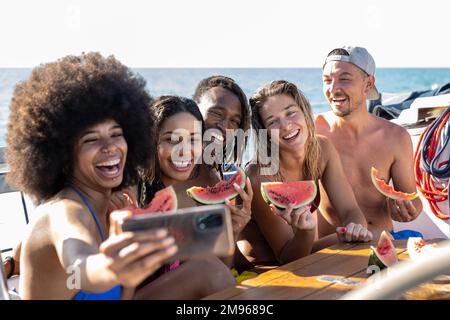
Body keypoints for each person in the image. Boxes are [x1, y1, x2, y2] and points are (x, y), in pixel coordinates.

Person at [5, 53, 178, 300]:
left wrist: (129, 267)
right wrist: (111, 266)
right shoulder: (63, 211)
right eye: (91, 139)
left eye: (116, 134)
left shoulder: (107, 209)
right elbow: (80, 264)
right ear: (62, 153)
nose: (110, 147)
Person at [109, 96, 238, 299]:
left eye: (193, 139)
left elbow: (221, 271)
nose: (184, 151)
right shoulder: (125, 194)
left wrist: (234, 229)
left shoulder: (183, 198)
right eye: (171, 139)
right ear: (150, 143)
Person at [241, 80, 372, 266]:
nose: (286, 126)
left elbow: (351, 210)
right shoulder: (258, 175)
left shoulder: (322, 148)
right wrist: (309, 232)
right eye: (273, 122)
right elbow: (287, 257)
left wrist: (356, 228)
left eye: (291, 113)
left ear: (304, 111)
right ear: (265, 133)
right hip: (264, 269)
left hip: (306, 255)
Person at [315, 46, 423, 239]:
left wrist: (408, 210)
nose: (333, 89)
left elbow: (411, 198)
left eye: (344, 79)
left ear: (368, 84)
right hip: (331, 246)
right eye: (327, 80)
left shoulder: (396, 137)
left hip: (382, 239)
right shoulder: (312, 131)